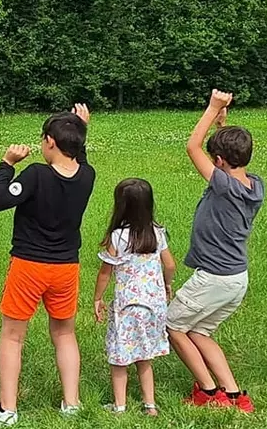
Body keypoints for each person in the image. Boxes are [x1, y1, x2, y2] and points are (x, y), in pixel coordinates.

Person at [0, 103, 94, 426]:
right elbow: (80, 159)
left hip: (29, 266)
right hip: (66, 268)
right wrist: (81, 129)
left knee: (12, 336)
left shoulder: (35, 174)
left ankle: (7, 409)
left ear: (49, 141)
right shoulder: (87, 175)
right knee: (64, 334)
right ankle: (71, 403)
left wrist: (7, 164)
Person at [168, 90, 261, 412]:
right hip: (237, 278)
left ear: (219, 162)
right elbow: (225, 153)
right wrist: (223, 121)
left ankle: (207, 391)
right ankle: (235, 395)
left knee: (173, 326)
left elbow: (192, 147)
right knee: (201, 332)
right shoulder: (253, 184)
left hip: (214, 278)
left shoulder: (223, 185)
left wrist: (211, 108)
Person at [91, 178, 174, 416]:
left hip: (127, 307)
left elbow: (105, 273)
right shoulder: (157, 233)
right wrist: (167, 285)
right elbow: (169, 264)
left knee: (120, 357)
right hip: (153, 306)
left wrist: (98, 298)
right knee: (144, 356)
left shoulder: (118, 237)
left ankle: (120, 406)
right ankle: (150, 405)